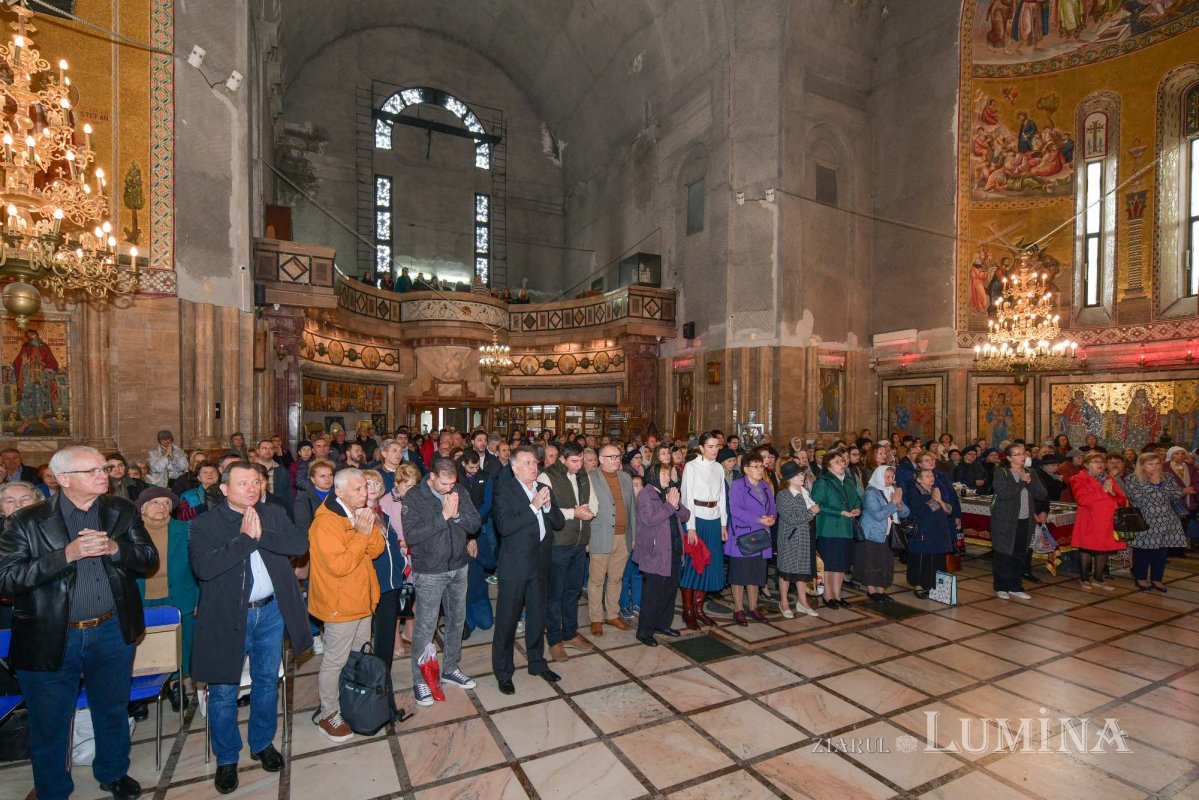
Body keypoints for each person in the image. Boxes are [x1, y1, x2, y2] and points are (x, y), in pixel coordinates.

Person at [0, 446, 158, 800]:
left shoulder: (120, 510)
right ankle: (52, 788)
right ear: (63, 479)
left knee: (112, 710)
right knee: (49, 722)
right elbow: (6, 579)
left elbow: (148, 559)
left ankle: (113, 772)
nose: (103, 474)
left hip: (111, 631)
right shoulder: (27, 520)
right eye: (93, 471)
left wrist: (116, 550)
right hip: (51, 635)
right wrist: (65, 556)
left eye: (103, 468)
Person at [189, 460, 311, 793]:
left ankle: (261, 743)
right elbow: (204, 568)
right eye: (244, 483)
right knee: (224, 691)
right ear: (225, 488)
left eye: (257, 481)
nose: (253, 488)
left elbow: (298, 546)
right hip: (228, 617)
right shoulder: (205, 525)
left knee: (267, 681)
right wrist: (244, 539)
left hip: (270, 612)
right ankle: (227, 757)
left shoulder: (272, 513)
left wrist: (261, 535)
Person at [308, 468, 385, 740]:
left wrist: (369, 528)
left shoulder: (359, 513)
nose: (364, 493)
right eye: (357, 489)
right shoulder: (326, 523)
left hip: (362, 599)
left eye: (365, 487)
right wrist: (361, 535)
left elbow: (375, 550)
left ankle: (351, 701)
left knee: (358, 657)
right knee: (335, 660)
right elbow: (339, 566)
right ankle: (328, 713)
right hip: (339, 604)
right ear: (338, 492)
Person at [400, 457, 482, 705]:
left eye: (452, 483)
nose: (449, 489)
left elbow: (475, 522)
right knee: (426, 626)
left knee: (457, 620)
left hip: (458, 565)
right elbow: (412, 536)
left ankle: (450, 667)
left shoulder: (459, 490)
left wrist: (456, 517)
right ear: (432, 477)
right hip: (430, 571)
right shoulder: (414, 497)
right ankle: (420, 680)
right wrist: (443, 516)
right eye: (444, 484)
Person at [491, 446, 565, 695]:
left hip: (541, 564)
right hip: (515, 566)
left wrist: (546, 507)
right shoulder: (505, 491)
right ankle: (503, 672)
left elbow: (558, 522)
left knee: (537, 616)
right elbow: (504, 526)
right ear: (514, 468)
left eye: (535, 462)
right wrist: (533, 506)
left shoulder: (544, 489)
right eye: (527, 463)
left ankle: (537, 662)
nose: (533, 467)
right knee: (507, 621)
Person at [134, 487, 199, 709]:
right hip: (142, 599)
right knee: (144, 648)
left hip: (180, 596)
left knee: (180, 646)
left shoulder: (185, 529)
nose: (161, 507)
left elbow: (197, 566)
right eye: (154, 503)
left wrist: (199, 597)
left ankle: (175, 685)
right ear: (142, 508)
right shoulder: (130, 533)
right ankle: (140, 695)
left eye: (165, 503)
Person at [539, 440, 597, 662]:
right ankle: (554, 640)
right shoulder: (547, 477)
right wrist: (575, 513)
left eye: (581, 460)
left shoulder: (583, 475)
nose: (579, 464)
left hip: (579, 542)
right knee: (555, 594)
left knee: (572, 591)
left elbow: (594, 503)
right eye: (574, 461)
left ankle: (570, 633)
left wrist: (589, 511)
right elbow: (547, 511)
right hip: (558, 544)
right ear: (562, 459)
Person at [587, 444, 638, 634]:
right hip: (600, 536)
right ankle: (596, 618)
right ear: (601, 459)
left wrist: (633, 536)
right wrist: (587, 538)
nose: (617, 460)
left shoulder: (625, 477)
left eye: (618, 457)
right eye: (612, 457)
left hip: (623, 537)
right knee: (596, 580)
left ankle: (612, 614)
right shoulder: (590, 478)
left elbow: (632, 507)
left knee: (616, 579)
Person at [632, 475, 688, 646]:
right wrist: (670, 505)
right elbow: (649, 519)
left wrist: (677, 505)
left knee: (670, 591)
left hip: (674, 549)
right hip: (656, 552)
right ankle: (644, 632)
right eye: (663, 473)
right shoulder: (645, 494)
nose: (667, 477)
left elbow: (685, 516)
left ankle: (662, 625)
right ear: (654, 474)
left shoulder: (669, 492)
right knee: (652, 594)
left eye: (668, 474)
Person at [679, 432, 727, 627]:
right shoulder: (691, 467)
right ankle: (688, 610)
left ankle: (699, 609)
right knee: (693, 564)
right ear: (701, 447)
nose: (714, 450)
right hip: (696, 518)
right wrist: (690, 527)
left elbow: (722, 496)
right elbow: (686, 497)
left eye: (717, 446)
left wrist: (723, 523)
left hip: (714, 519)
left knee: (709, 565)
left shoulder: (718, 467)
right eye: (710, 446)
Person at [990, 443, 1047, 600]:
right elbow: (1005, 494)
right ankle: (1001, 586)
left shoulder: (1030, 472)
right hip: (1005, 521)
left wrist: (1031, 481)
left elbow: (1041, 495)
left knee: (1020, 554)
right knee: (1004, 554)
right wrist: (1021, 481)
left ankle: (1016, 586)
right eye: (1018, 454)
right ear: (1009, 458)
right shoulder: (1002, 473)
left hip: (1025, 520)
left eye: (1023, 454)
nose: (1022, 457)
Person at [1125, 453, 1187, 592]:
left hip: (1166, 520)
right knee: (1142, 551)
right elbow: (1135, 497)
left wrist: (1160, 484)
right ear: (1142, 465)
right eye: (1150, 464)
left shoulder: (1168, 477)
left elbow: (1177, 494)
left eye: (1157, 463)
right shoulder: (1132, 479)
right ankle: (1140, 578)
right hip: (1145, 520)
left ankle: (1157, 579)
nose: (1155, 467)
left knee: (1161, 552)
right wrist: (1153, 484)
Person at [726, 452, 775, 625]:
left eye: (762, 466)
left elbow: (772, 506)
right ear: (746, 469)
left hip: (762, 534)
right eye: (756, 466)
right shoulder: (738, 486)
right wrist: (759, 520)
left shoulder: (765, 485)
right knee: (739, 575)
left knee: (756, 574)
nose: (760, 469)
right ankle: (738, 608)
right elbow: (736, 511)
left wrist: (771, 518)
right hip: (744, 534)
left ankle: (753, 607)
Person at [811, 449, 861, 609]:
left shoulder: (848, 480)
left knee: (841, 564)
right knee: (829, 564)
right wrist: (839, 512)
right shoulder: (822, 481)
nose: (842, 463)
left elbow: (857, 498)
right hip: (829, 528)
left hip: (846, 528)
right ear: (828, 466)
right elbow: (817, 504)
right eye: (837, 461)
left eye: (842, 460)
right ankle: (827, 595)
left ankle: (837, 594)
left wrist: (857, 509)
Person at [1069, 451, 1126, 592]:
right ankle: (1084, 578)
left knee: (1104, 549)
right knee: (1086, 549)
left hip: (1108, 520)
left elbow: (1122, 500)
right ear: (1087, 464)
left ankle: (1098, 578)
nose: (1100, 464)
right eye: (1095, 462)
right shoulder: (1078, 479)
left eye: (1101, 462)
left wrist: (1113, 493)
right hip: (1090, 520)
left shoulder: (1108, 478)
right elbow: (1082, 500)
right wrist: (1103, 490)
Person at [856, 465, 909, 604]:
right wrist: (893, 503)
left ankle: (881, 591)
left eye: (892, 477)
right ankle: (872, 591)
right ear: (879, 476)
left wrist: (898, 504)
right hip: (872, 534)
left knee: (885, 563)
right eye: (887, 477)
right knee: (872, 563)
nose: (890, 480)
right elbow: (878, 515)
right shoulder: (871, 493)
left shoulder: (891, 490)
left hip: (889, 534)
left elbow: (905, 513)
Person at [774, 462, 820, 618]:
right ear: (789, 478)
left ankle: (802, 601)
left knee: (803, 571)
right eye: (799, 475)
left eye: (802, 474)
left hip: (806, 536)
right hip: (790, 537)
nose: (802, 477)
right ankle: (784, 602)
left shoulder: (805, 491)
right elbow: (791, 518)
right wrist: (811, 512)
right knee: (786, 571)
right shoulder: (783, 495)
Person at [905, 469, 955, 599]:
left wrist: (940, 501)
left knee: (937, 558)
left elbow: (948, 510)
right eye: (927, 476)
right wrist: (935, 500)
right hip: (923, 530)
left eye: (932, 475)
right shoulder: (914, 491)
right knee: (923, 558)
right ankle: (919, 585)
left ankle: (934, 585)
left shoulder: (936, 490)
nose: (931, 477)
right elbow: (920, 510)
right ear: (919, 479)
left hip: (939, 530)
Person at [294, 459, 336, 533]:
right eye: (322, 476)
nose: (327, 479)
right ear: (313, 479)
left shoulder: (340, 495)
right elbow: (303, 528)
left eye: (330, 475)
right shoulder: (303, 498)